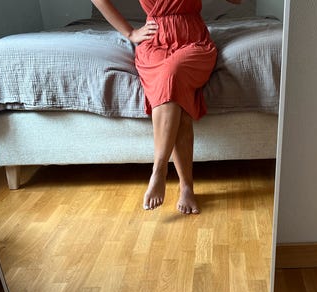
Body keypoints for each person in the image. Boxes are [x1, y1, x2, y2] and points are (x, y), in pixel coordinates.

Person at [91, 0, 241, 214]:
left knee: (173, 73)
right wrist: (130, 33)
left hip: (193, 41)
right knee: (175, 92)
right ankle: (186, 187)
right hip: (154, 44)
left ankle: (159, 169)